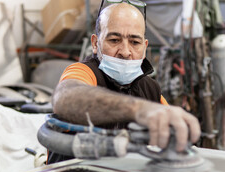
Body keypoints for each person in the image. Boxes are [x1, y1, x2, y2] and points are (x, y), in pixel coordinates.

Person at [49, 1, 200, 163]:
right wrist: (138, 109)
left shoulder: (150, 89)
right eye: (114, 40)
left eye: (135, 42)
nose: (125, 52)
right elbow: (66, 98)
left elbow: (169, 123)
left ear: (144, 47)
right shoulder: (84, 72)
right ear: (95, 43)